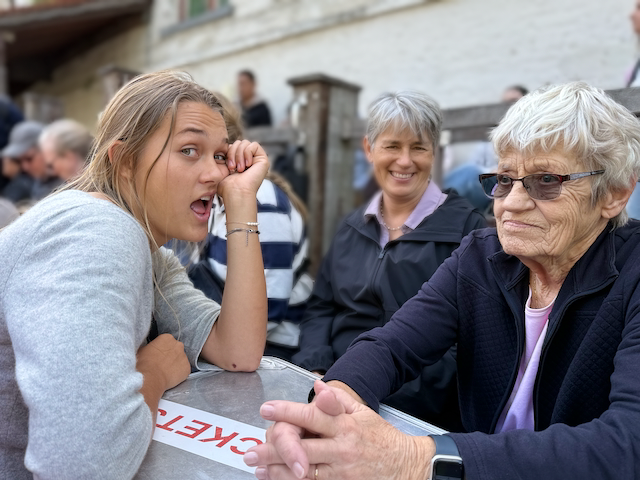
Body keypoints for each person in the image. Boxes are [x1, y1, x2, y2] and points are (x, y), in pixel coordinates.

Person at [246, 82, 640, 480]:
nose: (512, 203)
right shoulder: (481, 257)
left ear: (615, 194)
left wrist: (415, 458)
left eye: (547, 181)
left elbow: (627, 444)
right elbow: (392, 345)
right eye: (504, 180)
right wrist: (326, 406)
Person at [0, 70, 269, 479]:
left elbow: (239, 350)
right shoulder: (97, 231)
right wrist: (155, 373)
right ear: (125, 162)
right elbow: (82, 466)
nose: (216, 174)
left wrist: (243, 201)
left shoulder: (148, 249)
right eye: (189, 150)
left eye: (219, 155)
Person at [291, 91, 486, 430]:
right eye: (392, 146)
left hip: (413, 412)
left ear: (434, 154)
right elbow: (321, 307)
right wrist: (317, 367)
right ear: (369, 149)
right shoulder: (352, 226)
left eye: (419, 147)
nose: (405, 160)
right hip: (328, 389)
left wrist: (372, 394)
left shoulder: (468, 232)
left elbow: (472, 343)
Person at [190, 94, 312, 361]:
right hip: (226, 337)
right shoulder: (213, 199)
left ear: (231, 154)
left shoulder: (261, 204)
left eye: (215, 155)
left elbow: (269, 313)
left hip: (274, 352)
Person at [443, 85, 529, 213]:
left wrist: (500, 172)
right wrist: (488, 171)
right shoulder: (489, 138)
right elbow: (475, 163)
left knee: (469, 173)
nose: (507, 107)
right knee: (469, 172)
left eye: (513, 102)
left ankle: (435, 204)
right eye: (504, 103)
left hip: (504, 187)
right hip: (484, 185)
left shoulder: (528, 136)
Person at [2, 121, 61, 201]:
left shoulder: (67, 180)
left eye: (29, 159)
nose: (25, 167)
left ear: (46, 150)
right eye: (19, 161)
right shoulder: (34, 181)